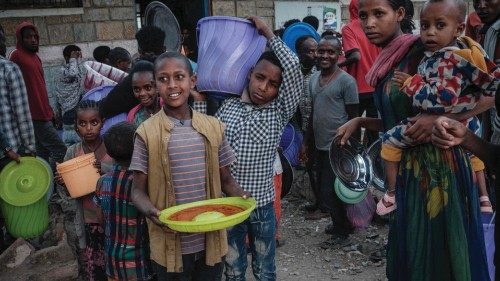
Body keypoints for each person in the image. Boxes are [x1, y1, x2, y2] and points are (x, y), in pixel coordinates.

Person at [335, 0, 491, 278]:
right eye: (364, 16)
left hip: (440, 168)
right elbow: (403, 122)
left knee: (439, 253)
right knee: (413, 248)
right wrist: (361, 120)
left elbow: (488, 97)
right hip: (408, 169)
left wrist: (443, 118)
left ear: (400, 14)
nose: (369, 23)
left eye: (379, 14)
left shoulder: (427, 51)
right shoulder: (388, 63)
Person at [130, 51, 249, 279]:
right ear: (155, 85)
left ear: (192, 80)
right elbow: (137, 190)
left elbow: (226, 180)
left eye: (179, 77)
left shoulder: (213, 127)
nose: (172, 85)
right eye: (163, 79)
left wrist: (242, 197)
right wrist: (152, 211)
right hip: (170, 246)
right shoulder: (146, 133)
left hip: (210, 241)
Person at [377, 0, 500, 215]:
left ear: (459, 28)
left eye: (440, 26)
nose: (430, 33)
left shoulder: (445, 60)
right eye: (425, 26)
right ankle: (483, 197)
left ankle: (391, 194)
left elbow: (442, 100)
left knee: (389, 141)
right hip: (465, 122)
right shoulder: (466, 52)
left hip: (440, 126)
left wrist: (411, 84)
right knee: (474, 153)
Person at [215, 17, 303, 281]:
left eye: (273, 84)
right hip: (229, 203)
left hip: (262, 203)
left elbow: (294, 67)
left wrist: (267, 33)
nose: (264, 88)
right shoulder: (227, 107)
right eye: (260, 78)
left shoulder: (279, 111)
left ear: (280, 90)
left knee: (265, 266)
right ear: (250, 73)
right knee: (233, 265)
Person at [301, 36, 359, 242]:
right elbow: (313, 113)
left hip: (339, 146)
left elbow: (355, 117)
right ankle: (341, 225)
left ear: (338, 55)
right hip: (319, 143)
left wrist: (352, 147)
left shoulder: (347, 82)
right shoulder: (314, 78)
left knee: (333, 191)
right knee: (329, 190)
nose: (325, 55)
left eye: (331, 52)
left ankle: (342, 231)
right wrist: (306, 141)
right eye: (321, 51)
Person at [55, 100, 114, 280]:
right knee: (93, 266)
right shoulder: (73, 153)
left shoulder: (112, 149)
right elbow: (67, 192)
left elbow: (123, 176)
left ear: (102, 122)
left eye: (94, 123)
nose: (89, 128)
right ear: (76, 127)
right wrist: (64, 182)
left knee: (113, 262)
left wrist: (102, 168)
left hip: (112, 219)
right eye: (83, 123)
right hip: (88, 220)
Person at [94, 122, 151, 281]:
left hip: (112, 262)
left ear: (109, 153)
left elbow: (101, 219)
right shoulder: (143, 185)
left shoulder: (102, 182)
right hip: (138, 263)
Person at [9, 22, 66, 170]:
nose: (33, 40)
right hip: (32, 114)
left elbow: (40, 86)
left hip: (43, 111)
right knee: (60, 149)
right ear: (21, 39)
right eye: (28, 37)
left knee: (42, 151)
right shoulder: (16, 56)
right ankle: (51, 180)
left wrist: (49, 109)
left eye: (35, 36)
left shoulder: (35, 57)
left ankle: (45, 185)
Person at [100, 26, 166, 119]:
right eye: (138, 89)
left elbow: (106, 107)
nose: (143, 94)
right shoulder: (173, 74)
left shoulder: (134, 77)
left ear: (139, 51)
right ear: (164, 49)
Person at [340, 0, 381, 146]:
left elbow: (355, 56)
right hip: (376, 84)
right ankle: (374, 158)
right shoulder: (377, 26)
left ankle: (355, 158)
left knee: (353, 124)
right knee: (374, 126)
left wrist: (337, 64)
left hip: (356, 87)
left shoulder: (349, 28)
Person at [55, 44, 85, 146]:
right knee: (71, 145)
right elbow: (72, 74)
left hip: (76, 108)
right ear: (67, 57)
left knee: (80, 145)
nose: (76, 58)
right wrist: (73, 59)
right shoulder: (63, 70)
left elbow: (81, 75)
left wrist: (79, 60)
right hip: (68, 110)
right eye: (74, 56)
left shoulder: (75, 68)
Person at [126, 61, 161, 126]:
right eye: (137, 89)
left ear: (156, 86)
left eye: (148, 87)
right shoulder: (133, 116)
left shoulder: (170, 107)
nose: (142, 93)